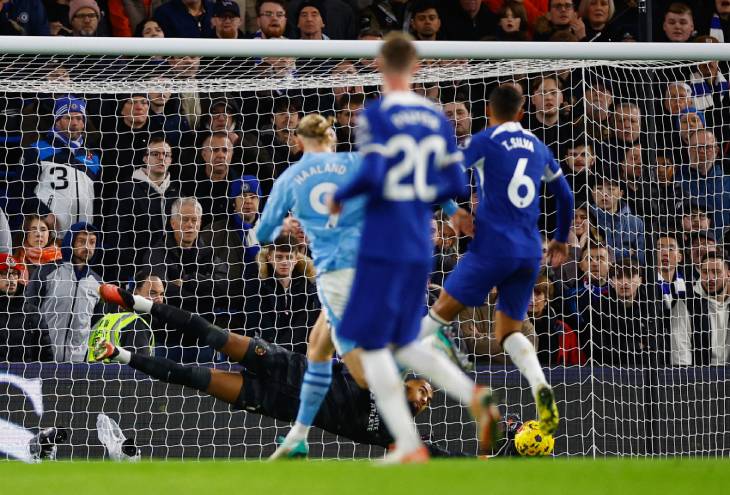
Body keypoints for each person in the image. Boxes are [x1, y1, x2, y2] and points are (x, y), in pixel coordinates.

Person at [328, 32, 497, 464]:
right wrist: (453, 211)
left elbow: (373, 169)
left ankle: (413, 438)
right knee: (400, 343)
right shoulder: (436, 117)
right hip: (420, 241)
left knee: (370, 344)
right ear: (417, 66)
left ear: (379, 65)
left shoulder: (377, 113)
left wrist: (341, 195)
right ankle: (461, 403)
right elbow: (454, 182)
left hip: (383, 238)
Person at [92, 284, 438, 453]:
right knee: (214, 335)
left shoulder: (394, 434)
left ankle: (120, 354)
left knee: (194, 377)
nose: (425, 399)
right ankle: (137, 301)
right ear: (408, 381)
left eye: (428, 401)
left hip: (274, 401)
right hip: (286, 365)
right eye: (424, 389)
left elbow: (434, 455)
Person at [421, 84, 575, 440]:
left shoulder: (484, 140)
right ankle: (540, 384)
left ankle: (386, 377)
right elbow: (566, 197)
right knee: (509, 331)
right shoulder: (538, 146)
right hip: (529, 251)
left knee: (438, 314)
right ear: (522, 112)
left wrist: (454, 211)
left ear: (489, 111)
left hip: (492, 247)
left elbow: (442, 180)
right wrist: (561, 239)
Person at [12, 96, 100, 238]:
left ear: (84, 123)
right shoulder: (37, 149)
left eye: (79, 118)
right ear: (57, 121)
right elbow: (19, 190)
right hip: (47, 234)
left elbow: (98, 197)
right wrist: (44, 213)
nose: (74, 123)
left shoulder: (93, 157)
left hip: (82, 237)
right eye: (68, 118)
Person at [24, 222, 103, 362]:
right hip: (43, 360)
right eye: (82, 241)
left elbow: (97, 324)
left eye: (92, 242)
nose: (87, 247)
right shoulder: (47, 272)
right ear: (70, 241)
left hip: (78, 363)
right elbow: (28, 310)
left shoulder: (98, 283)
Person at [0, 253, 53, 363]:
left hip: (26, 373)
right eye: (5, 274)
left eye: (15, 274)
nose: (11, 279)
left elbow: (45, 355)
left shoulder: (32, 313)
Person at [13, 214, 62, 285]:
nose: (39, 234)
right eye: (33, 230)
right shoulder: (15, 259)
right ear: (26, 234)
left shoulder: (62, 257)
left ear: (49, 233)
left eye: (43, 230)